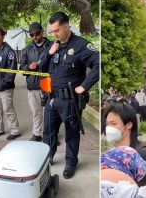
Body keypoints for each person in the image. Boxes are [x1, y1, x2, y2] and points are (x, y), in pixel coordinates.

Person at [42, 12, 99, 179]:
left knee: (71, 132)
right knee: (48, 131)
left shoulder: (81, 45)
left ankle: (71, 162)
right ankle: (48, 156)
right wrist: (49, 54)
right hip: (52, 98)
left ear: (67, 26)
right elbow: (42, 69)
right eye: (52, 31)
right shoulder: (55, 45)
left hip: (70, 101)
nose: (55, 34)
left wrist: (84, 86)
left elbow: (98, 65)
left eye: (57, 30)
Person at [103, 101, 146, 177]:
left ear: (129, 125)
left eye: (113, 123)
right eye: (107, 124)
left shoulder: (142, 154)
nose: (109, 128)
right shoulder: (112, 154)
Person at [19, 22, 52, 141]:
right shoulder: (27, 50)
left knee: (49, 112)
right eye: (32, 35)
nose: (34, 37)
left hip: (47, 85)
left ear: (42, 31)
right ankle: (37, 134)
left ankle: (51, 135)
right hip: (33, 85)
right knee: (36, 111)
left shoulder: (52, 46)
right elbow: (21, 69)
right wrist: (29, 67)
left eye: (37, 33)